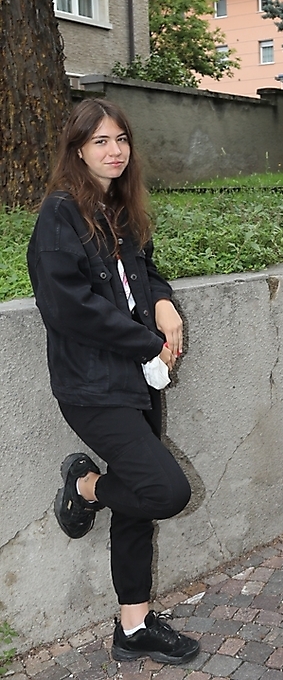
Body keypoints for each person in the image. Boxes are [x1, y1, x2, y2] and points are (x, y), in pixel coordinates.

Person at [27, 99, 200, 665]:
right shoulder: (60, 214)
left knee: (138, 504)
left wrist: (164, 302)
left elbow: (142, 273)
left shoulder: (119, 208)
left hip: (137, 379)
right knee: (166, 491)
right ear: (78, 149)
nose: (115, 150)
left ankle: (133, 626)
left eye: (121, 139)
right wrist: (147, 342)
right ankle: (85, 488)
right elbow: (68, 308)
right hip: (92, 385)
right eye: (100, 141)